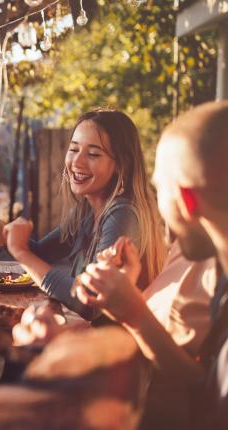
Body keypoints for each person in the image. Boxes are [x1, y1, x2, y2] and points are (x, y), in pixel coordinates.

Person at [77, 101, 228, 427]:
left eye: (159, 188)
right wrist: (131, 305)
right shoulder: (219, 271)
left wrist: (132, 314)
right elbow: (200, 380)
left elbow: (208, 414)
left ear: (187, 201)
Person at [0, 109, 166, 319]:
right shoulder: (89, 211)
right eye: (73, 150)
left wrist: (21, 253)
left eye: (93, 154)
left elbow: (90, 302)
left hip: (115, 343)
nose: (77, 163)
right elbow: (42, 254)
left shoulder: (122, 215)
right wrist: (0, 230)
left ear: (120, 165)